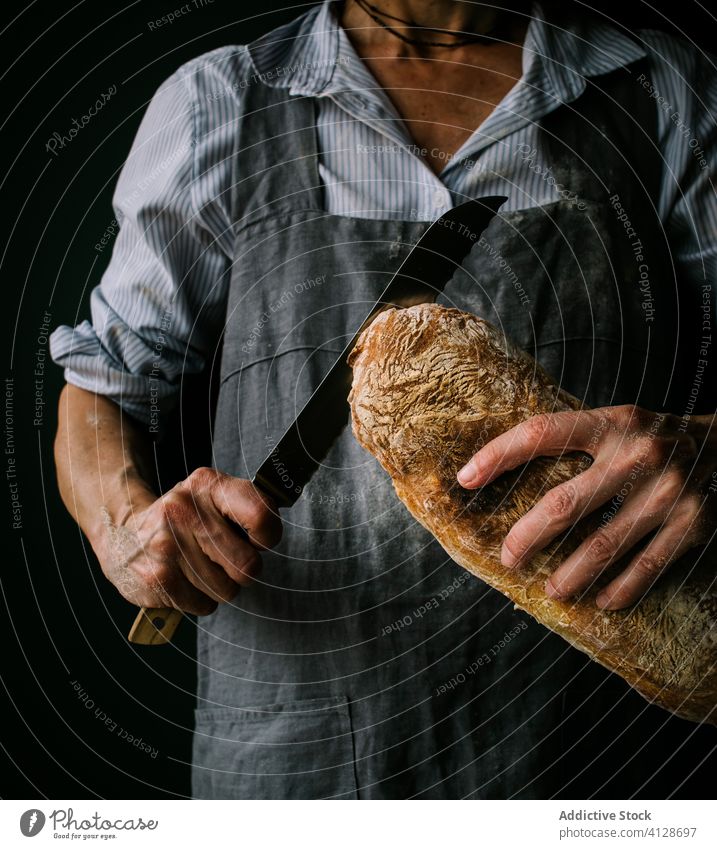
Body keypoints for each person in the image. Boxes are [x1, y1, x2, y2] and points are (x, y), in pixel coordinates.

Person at [51, 0, 717, 798]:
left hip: (599, 759)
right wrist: (123, 525)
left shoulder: (663, 95)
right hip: (297, 758)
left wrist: (708, 447)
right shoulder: (217, 103)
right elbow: (105, 384)